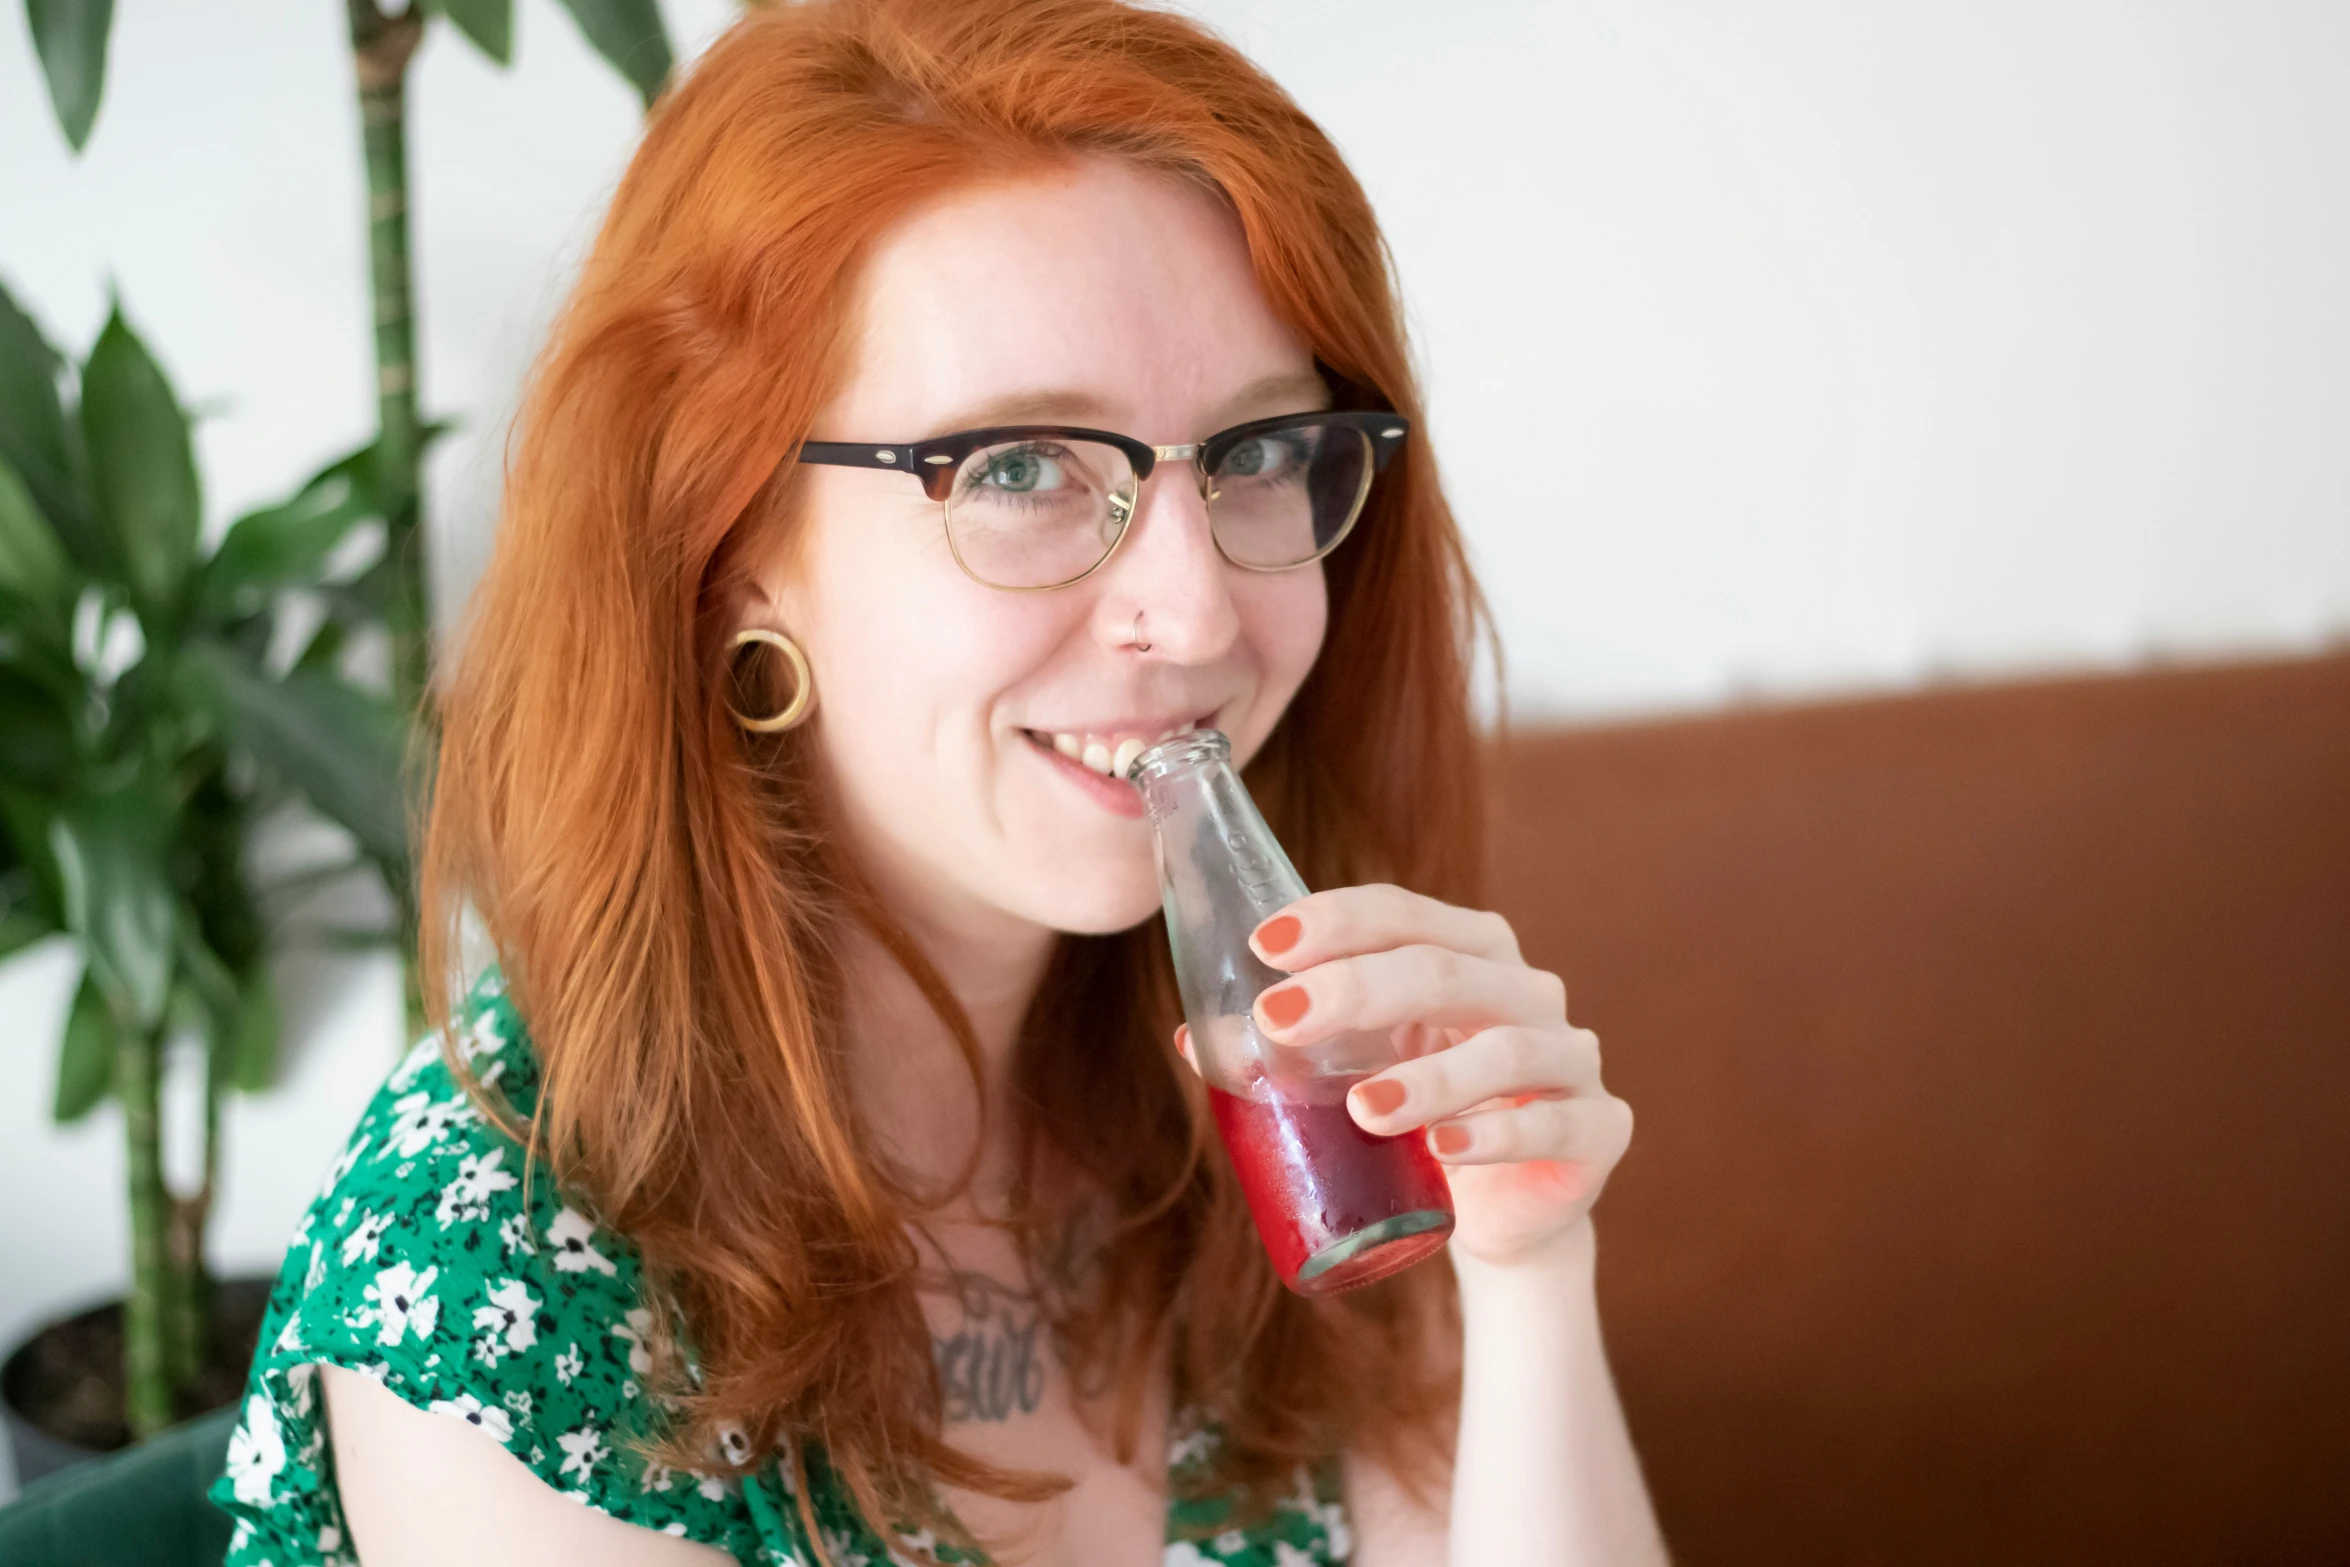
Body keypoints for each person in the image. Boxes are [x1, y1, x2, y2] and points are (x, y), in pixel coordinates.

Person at [209, 1, 1667, 1562]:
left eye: (1253, 453)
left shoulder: (1275, 1098)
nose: (1192, 610)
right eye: (1022, 469)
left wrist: (1523, 1274)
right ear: (734, 546)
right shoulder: (504, 1269)